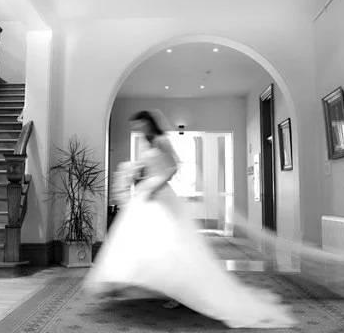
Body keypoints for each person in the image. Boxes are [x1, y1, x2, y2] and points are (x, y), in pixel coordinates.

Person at [84, 109, 298, 329]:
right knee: (148, 241)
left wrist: (154, 185)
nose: (135, 128)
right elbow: (153, 167)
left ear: (147, 122)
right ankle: (143, 284)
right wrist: (138, 176)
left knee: (172, 243)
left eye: (137, 124)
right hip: (149, 194)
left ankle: (179, 290)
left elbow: (173, 168)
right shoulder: (149, 142)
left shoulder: (161, 140)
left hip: (160, 195)